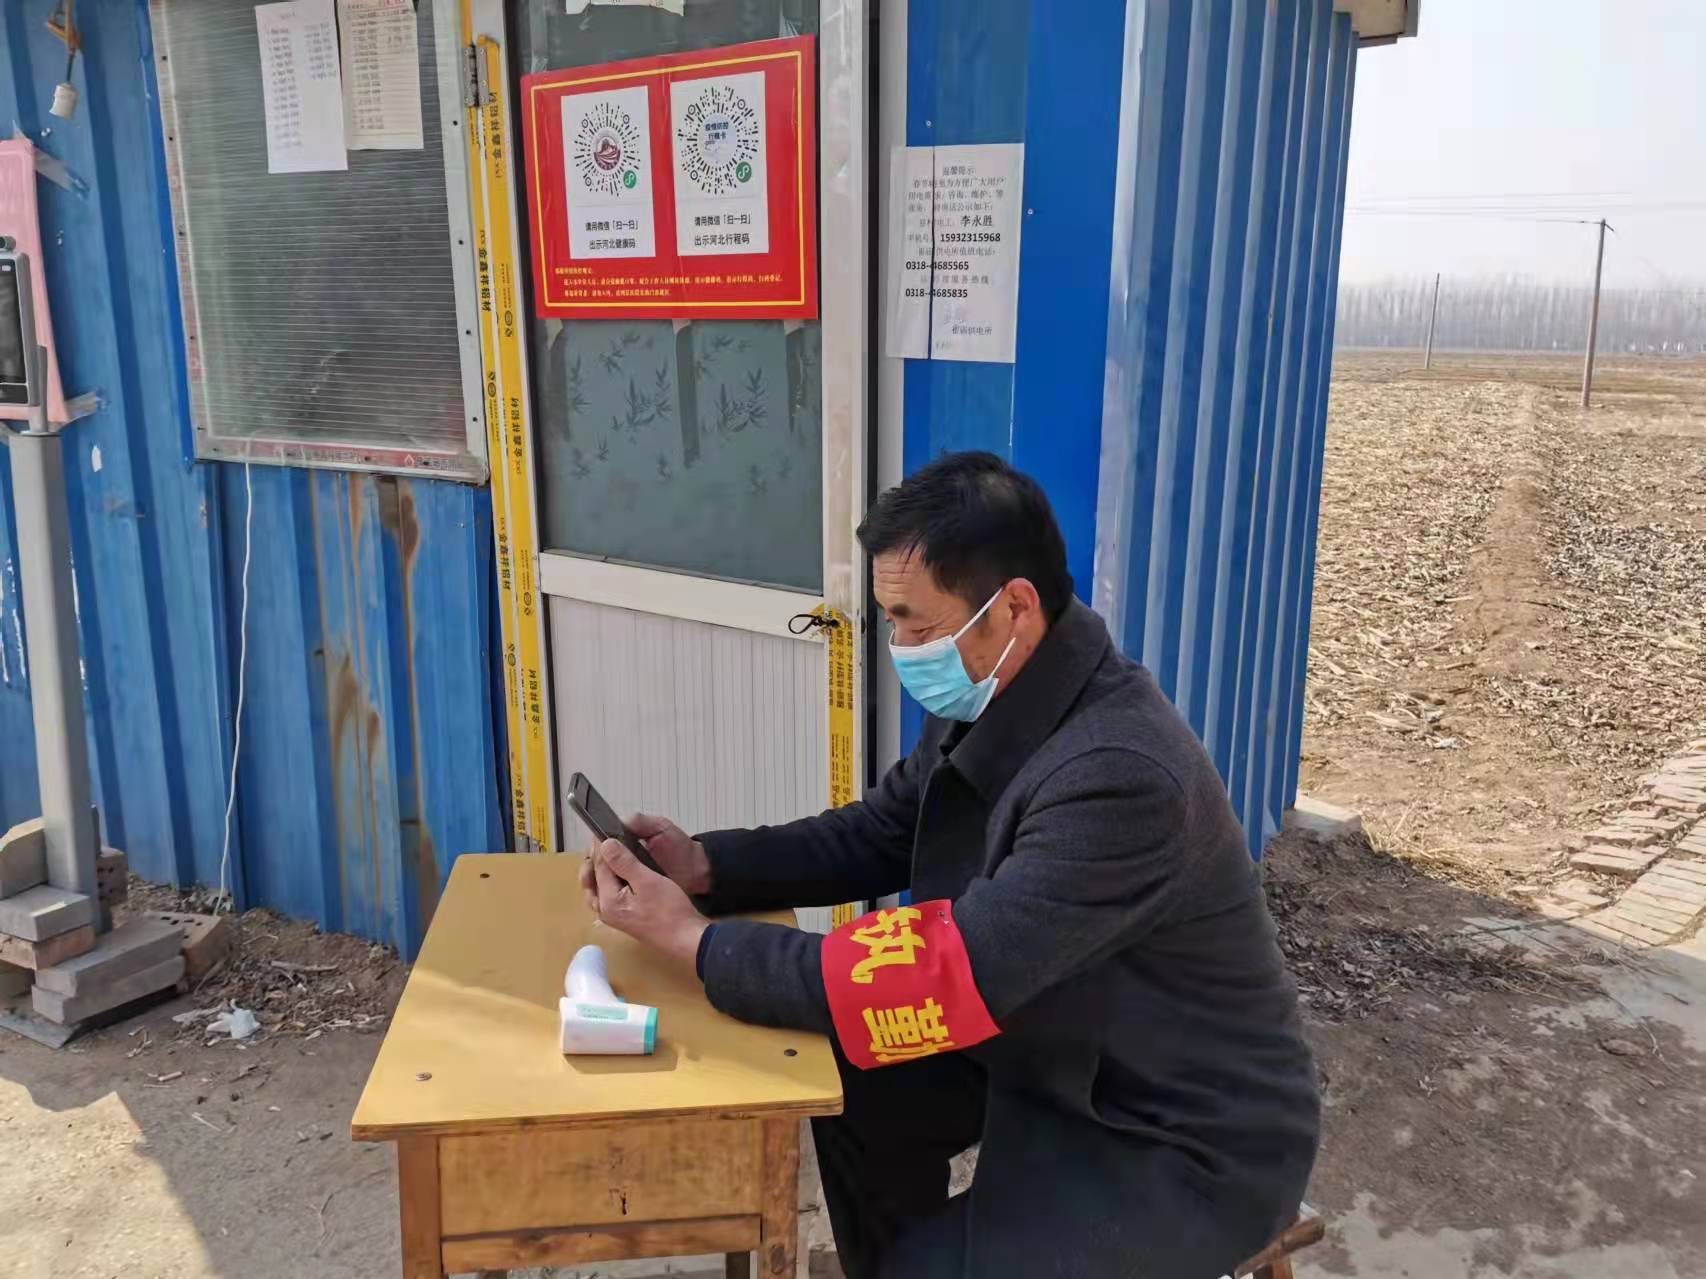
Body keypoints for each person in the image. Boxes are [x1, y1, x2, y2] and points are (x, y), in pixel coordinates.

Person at [582, 451, 1320, 1278]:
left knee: (922, 1239)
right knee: (856, 1080)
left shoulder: (1121, 774)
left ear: (1014, 607)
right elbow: (882, 830)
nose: (901, 647)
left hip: (1176, 1130)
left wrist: (696, 943)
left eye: (916, 625)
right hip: (1050, 1028)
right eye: (890, 621)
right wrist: (707, 867)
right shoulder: (997, 686)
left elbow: (944, 973)